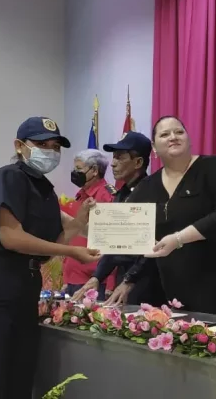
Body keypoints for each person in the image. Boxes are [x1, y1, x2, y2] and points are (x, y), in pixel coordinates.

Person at [0, 116, 100, 399]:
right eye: (41, 144)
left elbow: (52, 244)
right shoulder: (9, 177)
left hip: (26, 282)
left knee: (19, 376)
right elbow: (12, 238)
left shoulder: (44, 189)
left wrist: (81, 220)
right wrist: (72, 251)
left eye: (55, 146)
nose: (50, 151)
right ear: (20, 146)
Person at [114, 116, 216, 316]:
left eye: (179, 132)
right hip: (176, 295)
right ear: (154, 148)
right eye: (164, 134)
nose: (173, 137)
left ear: (189, 140)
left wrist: (179, 239)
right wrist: (92, 229)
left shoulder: (215, 167)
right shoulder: (146, 187)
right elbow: (132, 232)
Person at [71, 131, 166, 306]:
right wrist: (97, 277)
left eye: (120, 158)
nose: (113, 164)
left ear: (138, 162)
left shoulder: (152, 193)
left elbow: (153, 246)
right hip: (126, 277)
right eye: (113, 157)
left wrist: (130, 280)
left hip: (146, 279)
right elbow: (113, 244)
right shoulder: (121, 195)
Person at [61, 149, 115, 301]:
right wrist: (67, 276)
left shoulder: (107, 196)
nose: (74, 173)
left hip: (95, 281)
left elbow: (113, 240)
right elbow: (74, 237)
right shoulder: (80, 195)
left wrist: (110, 283)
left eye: (79, 169)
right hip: (74, 277)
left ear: (95, 170)